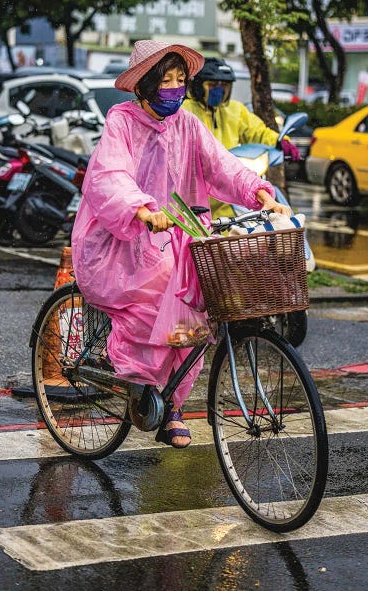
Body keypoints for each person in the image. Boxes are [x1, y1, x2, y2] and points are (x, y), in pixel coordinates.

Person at [71, 40, 291, 449]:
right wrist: (141, 209)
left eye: (179, 81)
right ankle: (143, 386)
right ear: (144, 86)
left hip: (179, 239)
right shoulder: (121, 122)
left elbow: (222, 164)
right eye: (165, 81)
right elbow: (108, 175)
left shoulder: (188, 124)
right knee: (152, 311)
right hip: (122, 242)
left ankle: (172, 405)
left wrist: (259, 191)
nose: (174, 89)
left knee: (192, 319)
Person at [182, 57, 301, 219]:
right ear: (198, 86)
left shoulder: (235, 110)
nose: (219, 89)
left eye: (224, 85)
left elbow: (257, 131)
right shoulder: (185, 110)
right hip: (193, 192)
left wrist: (280, 140)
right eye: (213, 85)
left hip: (229, 187)